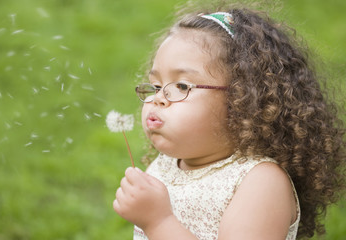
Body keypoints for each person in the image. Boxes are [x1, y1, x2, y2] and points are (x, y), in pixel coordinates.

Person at [113, 2, 346, 240]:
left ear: (243, 100)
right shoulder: (163, 166)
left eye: (182, 86)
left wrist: (159, 222)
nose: (158, 98)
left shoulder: (260, 183)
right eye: (156, 86)